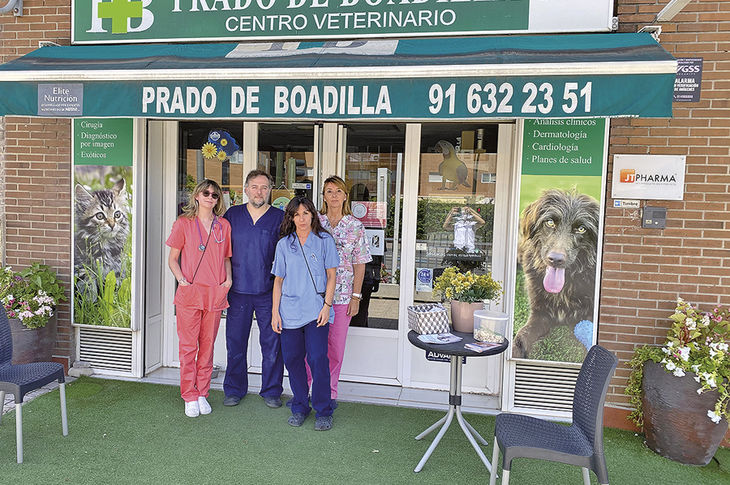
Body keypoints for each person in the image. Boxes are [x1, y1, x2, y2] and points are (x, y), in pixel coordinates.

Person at [167, 179, 232, 418]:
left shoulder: (223, 226)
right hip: (190, 294)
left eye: (215, 195)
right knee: (188, 348)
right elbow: (173, 259)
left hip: (215, 294)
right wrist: (182, 279)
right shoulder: (183, 224)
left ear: (218, 200)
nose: (210, 197)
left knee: (207, 347)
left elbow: (226, 258)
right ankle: (189, 394)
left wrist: (228, 281)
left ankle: (203, 392)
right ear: (197, 196)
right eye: (206, 193)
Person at [271, 197, 338, 431]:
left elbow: (332, 276)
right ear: (290, 217)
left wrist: (327, 306)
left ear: (313, 216)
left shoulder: (324, 241)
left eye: (306, 213)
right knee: (292, 360)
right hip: (289, 312)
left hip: (316, 311)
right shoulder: (284, 245)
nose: (301, 218)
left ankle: (323, 409)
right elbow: (278, 281)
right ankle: (300, 405)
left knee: (318, 359)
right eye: (296, 214)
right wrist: (274, 313)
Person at [222, 170, 285, 408]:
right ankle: (234, 389)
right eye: (255, 187)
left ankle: (271, 391)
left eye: (264, 187)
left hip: (269, 292)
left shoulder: (280, 218)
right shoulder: (232, 215)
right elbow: (222, 253)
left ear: (270, 191)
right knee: (235, 342)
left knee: (272, 345)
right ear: (246, 189)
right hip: (238, 291)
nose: (259, 192)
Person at [311, 176, 371, 405]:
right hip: (315, 295)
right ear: (323, 196)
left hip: (343, 296)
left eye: (338, 191)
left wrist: (356, 296)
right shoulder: (315, 221)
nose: (334, 195)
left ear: (345, 195)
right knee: (313, 347)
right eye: (329, 191)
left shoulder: (355, 226)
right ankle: (307, 388)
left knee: (335, 348)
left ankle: (329, 392)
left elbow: (360, 263)